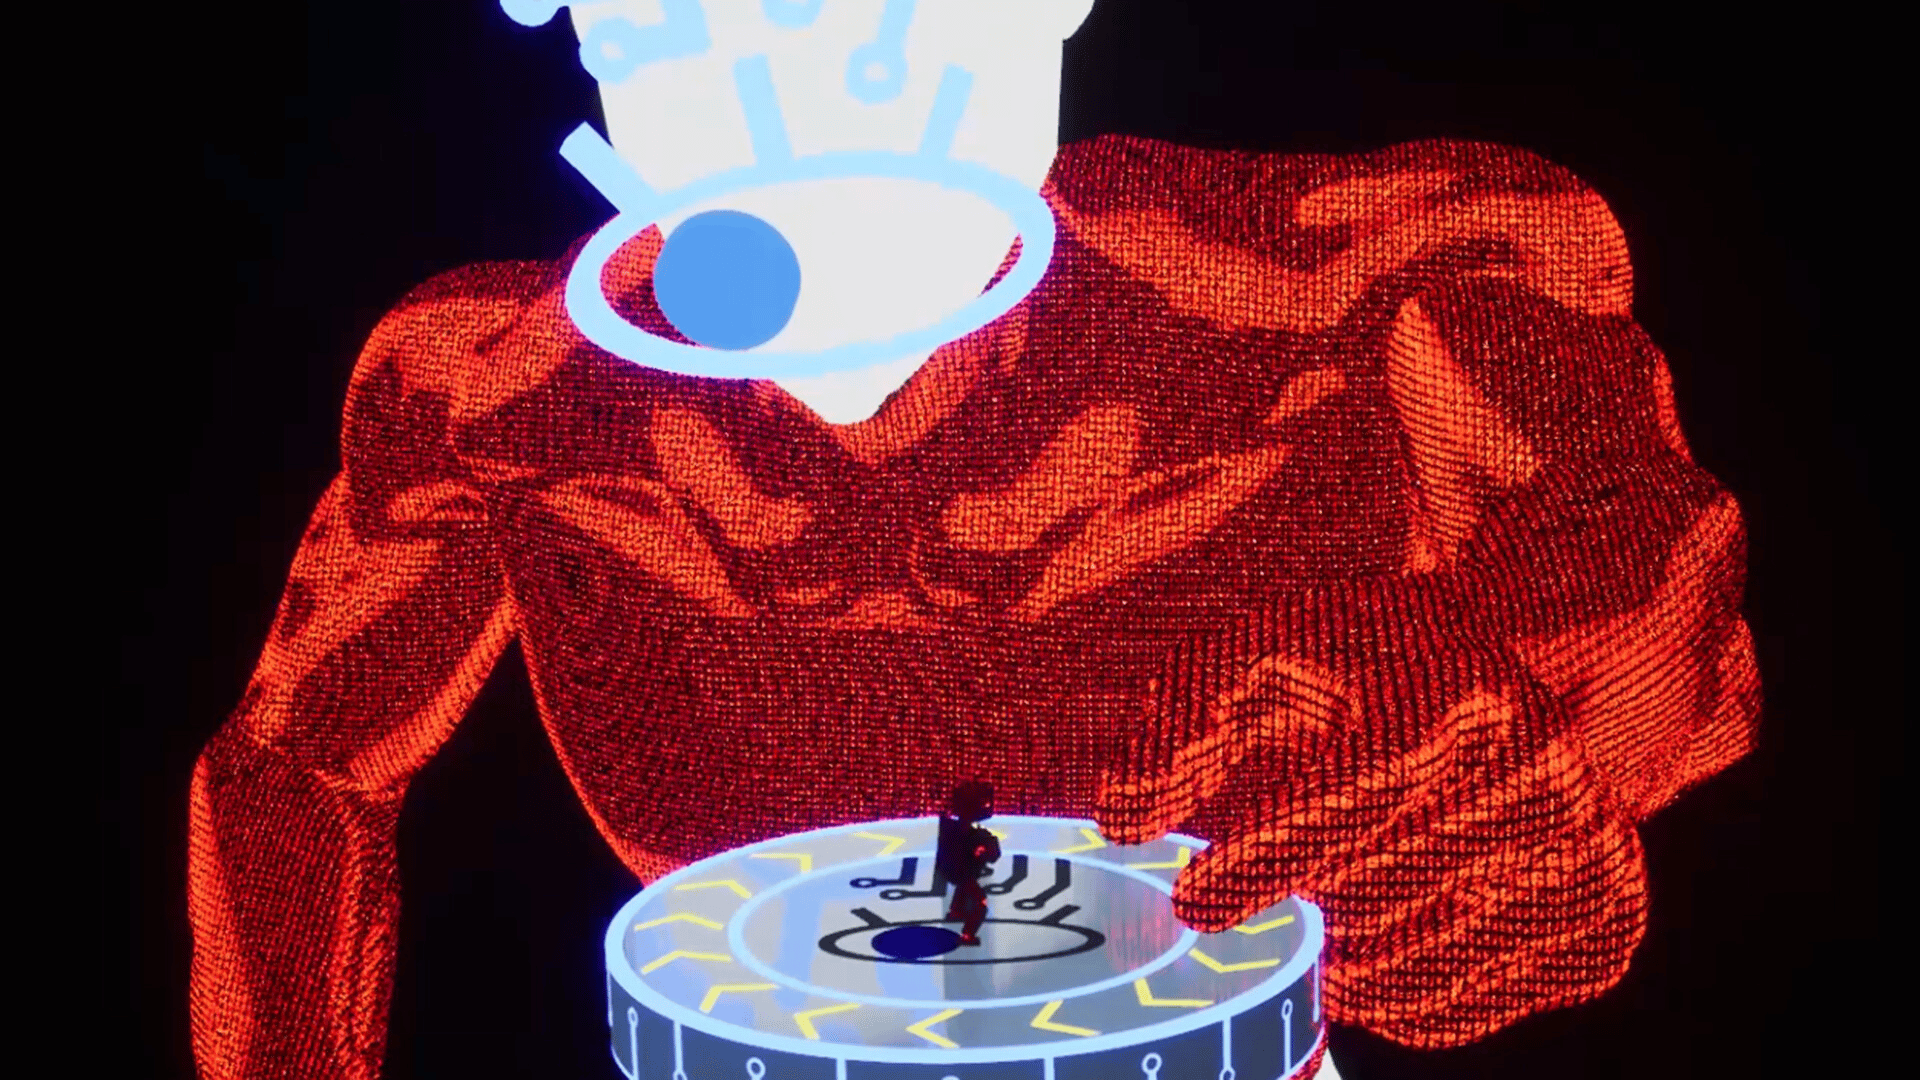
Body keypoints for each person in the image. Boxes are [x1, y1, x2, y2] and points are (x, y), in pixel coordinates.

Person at [187, 4, 1760, 1078]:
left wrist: (1562, 744)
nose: (792, 77)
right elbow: (293, 772)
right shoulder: (487, 393)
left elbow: (1639, 561)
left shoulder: (1351, 287)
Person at [936, 780, 1001, 944]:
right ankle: (968, 935)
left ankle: (955, 912)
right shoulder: (971, 836)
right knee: (980, 902)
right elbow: (990, 856)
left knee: (964, 884)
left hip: (954, 870)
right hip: (960, 871)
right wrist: (981, 851)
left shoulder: (951, 827)